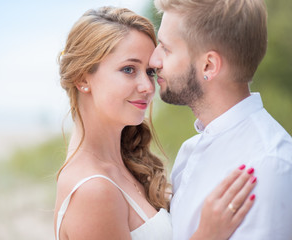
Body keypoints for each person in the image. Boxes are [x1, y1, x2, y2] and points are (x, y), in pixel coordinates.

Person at [54, 6, 257, 240]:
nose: (148, 87)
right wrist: (207, 234)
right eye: (129, 69)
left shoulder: (124, 167)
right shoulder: (92, 191)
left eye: (150, 72)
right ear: (82, 78)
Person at [149, 0, 292, 239]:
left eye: (166, 48)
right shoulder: (188, 152)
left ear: (209, 65)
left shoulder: (269, 167)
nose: (153, 61)